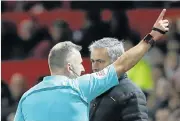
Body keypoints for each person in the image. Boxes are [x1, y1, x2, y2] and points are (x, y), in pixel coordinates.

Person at [14, 9, 169, 121]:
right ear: (69, 67)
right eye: (80, 64)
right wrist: (153, 35)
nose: (84, 69)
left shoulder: (26, 98)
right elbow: (122, 64)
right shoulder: (80, 87)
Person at [88, 37, 148, 121]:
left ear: (117, 62)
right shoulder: (91, 90)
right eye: (93, 61)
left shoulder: (131, 94)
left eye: (100, 61)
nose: (94, 67)